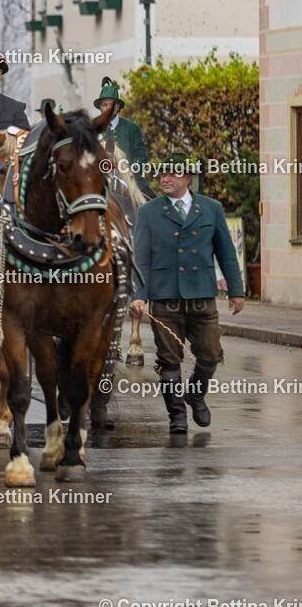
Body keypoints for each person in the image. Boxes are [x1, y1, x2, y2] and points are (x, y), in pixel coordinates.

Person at [129, 152, 245, 434]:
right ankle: (177, 415)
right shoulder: (148, 211)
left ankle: (195, 394)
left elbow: (226, 252)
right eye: (162, 174)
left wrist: (236, 290)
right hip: (165, 298)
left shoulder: (211, 208)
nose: (165, 179)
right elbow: (140, 257)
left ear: (188, 178)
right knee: (169, 359)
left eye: (173, 174)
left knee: (210, 353)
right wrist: (138, 295)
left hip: (202, 296)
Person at [94, 77, 154, 198]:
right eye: (104, 104)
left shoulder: (132, 128)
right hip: (99, 183)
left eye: (111, 104)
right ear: (100, 107)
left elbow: (141, 156)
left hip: (132, 182)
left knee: (155, 208)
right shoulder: (91, 129)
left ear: (118, 107)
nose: (108, 108)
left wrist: (127, 173)